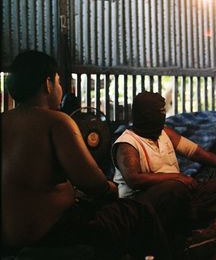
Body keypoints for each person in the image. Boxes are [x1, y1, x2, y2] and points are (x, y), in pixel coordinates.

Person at [1, 51, 185, 259]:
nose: (61, 88)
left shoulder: (4, 120)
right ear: (48, 84)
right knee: (140, 214)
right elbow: (93, 183)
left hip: (8, 237)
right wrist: (111, 189)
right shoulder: (56, 122)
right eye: (59, 82)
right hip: (51, 234)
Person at [112, 91, 216, 232]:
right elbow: (134, 179)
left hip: (175, 194)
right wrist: (177, 177)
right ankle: (184, 231)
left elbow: (195, 152)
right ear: (145, 115)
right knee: (175, 189)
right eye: (158, 113)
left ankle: (213, 233)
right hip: (140, 205)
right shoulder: (127, 143)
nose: (162, 117)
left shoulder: (164, 133)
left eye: (163, 113)